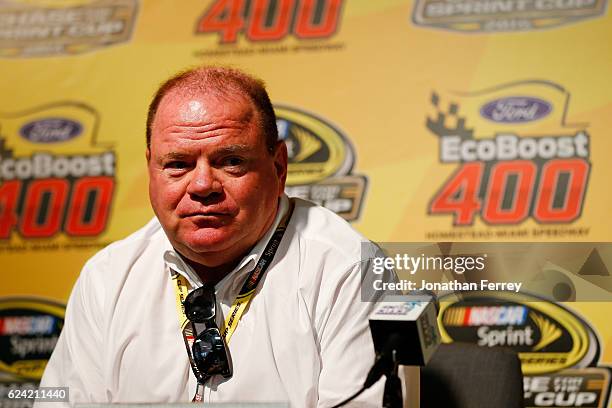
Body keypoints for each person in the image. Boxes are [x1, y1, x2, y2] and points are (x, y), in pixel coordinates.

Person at [38, 66, 394, 407]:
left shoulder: (351, 268)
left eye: (230, 161)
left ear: (279, 166)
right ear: (151, 168)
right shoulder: (107, 276)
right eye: (178, 164)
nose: (203, 185)